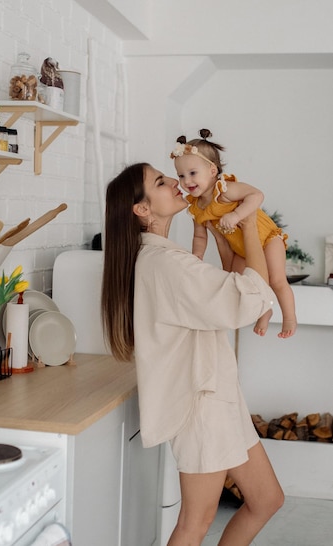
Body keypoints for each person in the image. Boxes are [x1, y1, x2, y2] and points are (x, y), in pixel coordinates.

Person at [101, 162, 284, 546]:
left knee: (267, 500)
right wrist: (249, 222)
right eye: (161, 182)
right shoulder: (165, 263)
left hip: (219, 398)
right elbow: (246, 297)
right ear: (142, 209)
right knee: (194, 524)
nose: (175, 183)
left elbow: (219, 296)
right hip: (201, 406)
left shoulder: (167, 257)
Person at [171, 130, 296, 339]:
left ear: (212, 171)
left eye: (192, 173)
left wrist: (237, 215)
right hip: (241, 249)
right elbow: (200, 236)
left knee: (276, 279)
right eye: (181, 176)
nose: (186, 181)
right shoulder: (197, 207)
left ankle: (290, 318)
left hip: (267, 238)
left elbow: (256, 195)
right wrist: (197, 256)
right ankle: (264, 312)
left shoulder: (225, 189)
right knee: (246, 283)